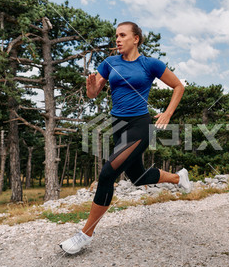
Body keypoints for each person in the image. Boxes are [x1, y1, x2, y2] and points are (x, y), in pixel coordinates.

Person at [60, 21, 191, 254]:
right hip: (117, 126)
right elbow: (93, 93)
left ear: (136, 39)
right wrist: (91, 89)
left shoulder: (149, 64)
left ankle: (85, 234)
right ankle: (178, 178)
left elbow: (178, 87)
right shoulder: (109, 63)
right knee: (138, 177)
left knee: (107, 173)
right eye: (116, 36)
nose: (117, 40)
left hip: (140, 125)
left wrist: (168, 113)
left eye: (122, 35)